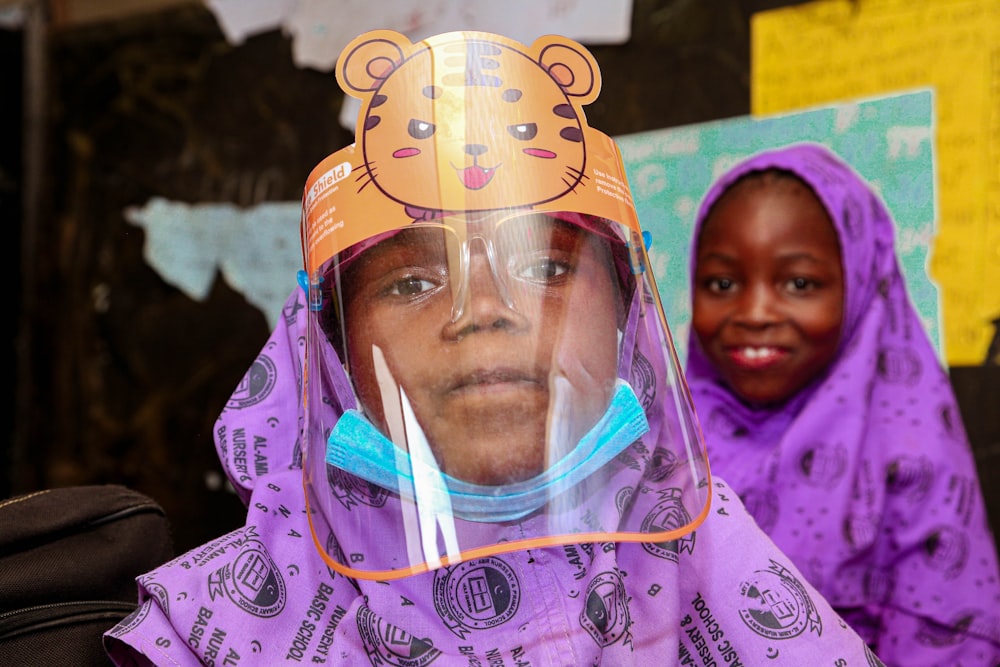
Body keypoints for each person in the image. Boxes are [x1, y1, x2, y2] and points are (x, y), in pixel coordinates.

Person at [104, 31, 884, 665]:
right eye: (410, 284)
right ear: (330, 350)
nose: (484, 310)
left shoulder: (704, 549)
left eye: (545, 267)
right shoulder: (221, 621)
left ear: (625, 316)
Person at [685, 142, 1000, 666]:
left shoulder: (912, 456)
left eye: (799, 283)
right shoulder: (665, 436)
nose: (755, 311)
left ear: (859, 286)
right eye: (722, 283)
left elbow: (951, 634)